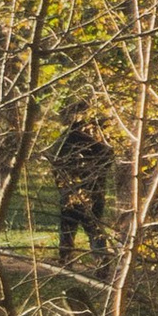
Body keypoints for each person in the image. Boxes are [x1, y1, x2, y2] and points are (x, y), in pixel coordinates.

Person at [51, 113, 111, 270]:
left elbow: (54, 158)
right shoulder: (100, 139)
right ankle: (101, 260)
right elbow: (108, 160)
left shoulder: (68, 138)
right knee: (94, 227)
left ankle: (66, 260)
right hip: (94, 191)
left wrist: (61, 179)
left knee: (68, 227)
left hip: (70, 190)